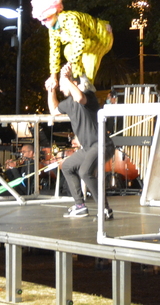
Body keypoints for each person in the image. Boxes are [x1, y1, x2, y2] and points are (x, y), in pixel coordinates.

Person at [46, 73, 113, 220]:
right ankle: (80, 207)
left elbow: (80, 98)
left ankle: (105, 209)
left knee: (85, 172)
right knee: (67, 166)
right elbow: (53, 109)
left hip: (102, 145)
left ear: (74, 83)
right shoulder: (68, 103)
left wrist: (68, 79)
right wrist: (51, 89)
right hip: (89, 148)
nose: (61, 88)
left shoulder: (88, 96)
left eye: (63, 85)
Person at [32, 0, 114, 93]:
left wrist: (75, 70)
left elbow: (80, 43)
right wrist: (53, 77)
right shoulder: (53, 28)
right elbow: (54, 51)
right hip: (88, 41)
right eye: (40, 20)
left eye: (44, 19)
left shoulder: (68, 18)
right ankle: (83, 81)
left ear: (53, 13)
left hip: (102, 37)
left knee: (75, 51)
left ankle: (84, 82)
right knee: (68, 50)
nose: (42, 23)